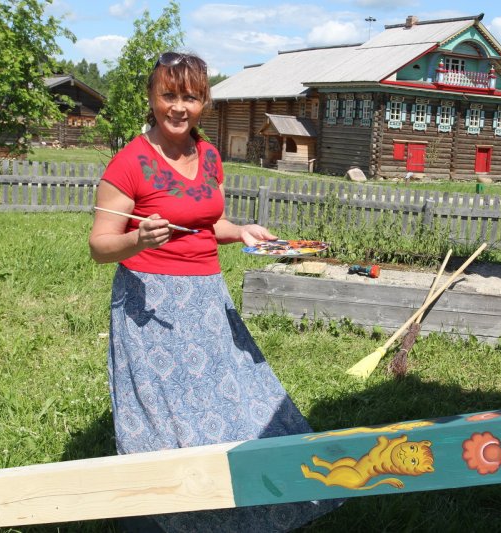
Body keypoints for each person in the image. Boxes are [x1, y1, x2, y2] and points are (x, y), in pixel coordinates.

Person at [89, 51, 339, 532]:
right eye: (168, 94)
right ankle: (158, 518)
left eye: (190, 97)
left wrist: (240, 230)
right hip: (151, 306)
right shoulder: (129, 163)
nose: (178, 107)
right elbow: (100, 245)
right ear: (151, 97)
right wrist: (137, 239)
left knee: (241, 402)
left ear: (204, 102)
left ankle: (244, 509)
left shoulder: (207, 156)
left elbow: (206, 224)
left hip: (207, 300)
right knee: (164, 414)